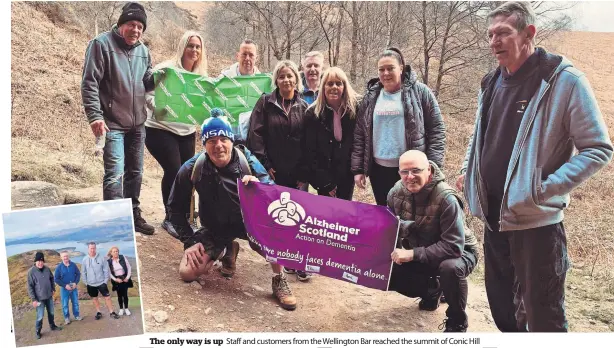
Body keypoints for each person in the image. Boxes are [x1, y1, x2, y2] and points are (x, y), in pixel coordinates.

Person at [457, 2, 613, 332]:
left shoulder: (563, 81)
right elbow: (480, 135)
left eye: (503, 33)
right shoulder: (491, 82)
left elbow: (597, 148)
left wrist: (540, 189)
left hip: (536, 226)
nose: (494, 41)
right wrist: (467, 170)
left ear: (529, 33)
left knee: (544, 318)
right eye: (490, 35)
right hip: (494, 219)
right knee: (503, 312)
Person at [167, 108, 298, 310]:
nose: (218, 146)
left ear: (231, 141)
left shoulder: (247, 161)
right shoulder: (192, 168)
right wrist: (190, 241)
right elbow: (174, 209)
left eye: (223, 139)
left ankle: (278, 279)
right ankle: (228, 248)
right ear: (204, 145)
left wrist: (259, 189)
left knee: (275, 238)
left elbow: (274, 195)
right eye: (211, 141)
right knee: (187, 272)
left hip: (248, 224)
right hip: (215, 227)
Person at [81, 2, 155, 235]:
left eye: (140, 27)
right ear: (121, 24)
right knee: (115, 173)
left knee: (136, 172)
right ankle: (114, 224)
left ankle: (132, 214)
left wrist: (164, 76)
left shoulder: (143, 51)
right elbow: (89, 83)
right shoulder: (101, 45)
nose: (136, 30)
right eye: (132, 25)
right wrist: (94, 116)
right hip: (111, 123)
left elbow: (147, 81)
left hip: (137, 124)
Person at [388, 150, 478, 332]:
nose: (409, 177)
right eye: (404, 172)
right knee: (384, 268)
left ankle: (457, 321)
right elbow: (389, 229)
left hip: (460, 252)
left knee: (450, 268)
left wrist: (412, 254)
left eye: (416, 171)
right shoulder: (395, 193)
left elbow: (453, 246)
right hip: (423, 249)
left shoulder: (447, 198)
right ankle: (433, 290)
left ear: (429, 170)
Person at [351, 47, 446, 206]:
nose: (386, 73)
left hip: (411, 170)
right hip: (378, 169)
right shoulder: (371, 96)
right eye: (381, 69)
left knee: (412, 215)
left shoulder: (420, 92)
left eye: (390, 68)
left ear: (401, 68)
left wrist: (432, 167)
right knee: (385, 213)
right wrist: (358, 170)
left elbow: (437, 131)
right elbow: (360, 134)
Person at [145, 31, 208, 236]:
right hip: (159, 129)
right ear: (182, 46)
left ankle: (186, 216)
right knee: (173, 171)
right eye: (190, 45)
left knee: (188, 175)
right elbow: (146, 92)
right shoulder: (166, 69)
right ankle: (169, 218)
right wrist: (157, 108)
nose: (194, 50)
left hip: (186, 131)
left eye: (198, 46)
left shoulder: (200, 76)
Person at [247, 60, 309, 190]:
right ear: (276, 81)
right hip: (272, 172)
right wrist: (265, 165)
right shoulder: (265, 102)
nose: (286, 80)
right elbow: (255, 134)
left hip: (297, 175)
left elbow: (309, 141)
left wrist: (304, 172)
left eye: (289, 76)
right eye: (281, 77)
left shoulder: (304, 107)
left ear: (296, 79)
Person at [302, 66, 359, 200]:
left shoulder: (355, 110)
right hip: (324, 174)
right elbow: (309, 151)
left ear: (344, 87)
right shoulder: (312, 114)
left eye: (338, 83)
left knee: (345, 211)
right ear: (323, 87)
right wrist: (324, 182)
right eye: (330, 83)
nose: (334, 87)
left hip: (347, 173)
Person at [27, 252, 62, 339]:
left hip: (49, 296)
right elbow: (30, 287)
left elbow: (51, 278)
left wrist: (53, 289)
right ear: (35, 261)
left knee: (51, 312)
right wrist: (33, 300)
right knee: (40, 315)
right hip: (39, 299)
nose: (40, 262)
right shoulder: (31, 272)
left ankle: (52, 326)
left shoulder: (47, 269)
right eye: (38, 261)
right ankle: (38, 331)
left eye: (42, 261)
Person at [81, 242, 120, 319]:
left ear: (95, 248)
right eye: (91, 248)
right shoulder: (85, 259)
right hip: (91, 284)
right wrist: (86, 282)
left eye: (94, 248)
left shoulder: (101, 258)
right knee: (95, 298)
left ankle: (111, 312)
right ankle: (99, 312)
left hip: (101, 282)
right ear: (88, 249)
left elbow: (106, 270)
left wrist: (105, 281)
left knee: (107, 297)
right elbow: (83, 272)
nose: (92, 250)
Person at [54, 251, 82, 325]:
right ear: (61, 257)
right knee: (65, 304)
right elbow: (56, 279)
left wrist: (75, 283)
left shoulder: (73, 265)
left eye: (66, 256)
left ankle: (77, 315)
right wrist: (65, 285)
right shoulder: (59, 267)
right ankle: (67, 318)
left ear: (68, 256)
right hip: (64, 289)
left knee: (75, 303)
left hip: (74, 287)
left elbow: (78, 274)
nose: (65, 258)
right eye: (64, 256)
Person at [107, 247, 134, 316]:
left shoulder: (122, 257)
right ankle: (121, 309)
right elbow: (109, 273)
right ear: (111, 253)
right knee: (119, 295)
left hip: (124, 278)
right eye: (114, 251)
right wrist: (116, 279)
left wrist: (127, 277)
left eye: (117, 251)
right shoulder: (109, 261)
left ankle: (126, 309)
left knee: (125, 294)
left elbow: (129, 267)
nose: (116, 253)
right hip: (117, 280)